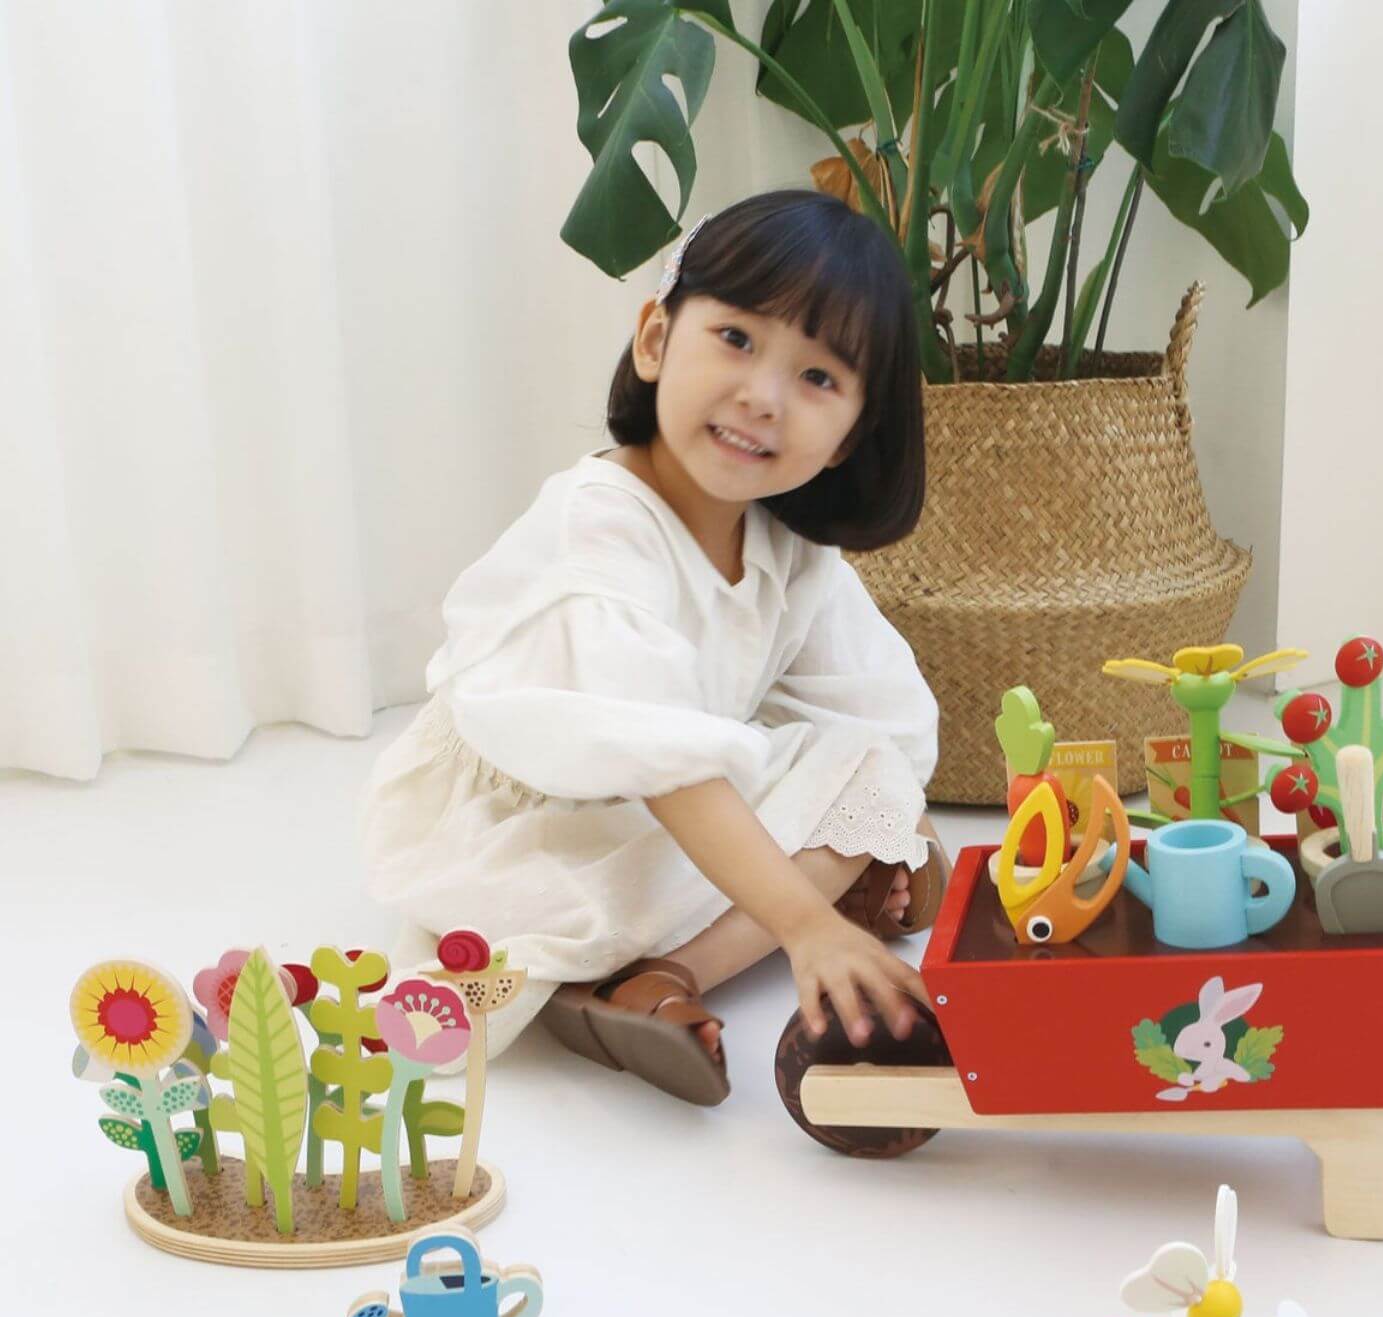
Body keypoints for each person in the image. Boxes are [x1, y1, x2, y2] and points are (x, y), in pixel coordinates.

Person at [360, 189, 945, 1107]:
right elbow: (661, 764)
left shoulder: (790, 548)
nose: (762, 397)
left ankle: (657, 969)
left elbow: (879, 714)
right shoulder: (600, 526)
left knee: (879, 780)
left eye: (818, 378)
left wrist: (891, 822)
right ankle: (669, 973)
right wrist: (804, 921)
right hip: (526, 836)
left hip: (665, 808)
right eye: (738, 340)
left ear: (848, 441)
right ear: (656, 342)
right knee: (864, 814)